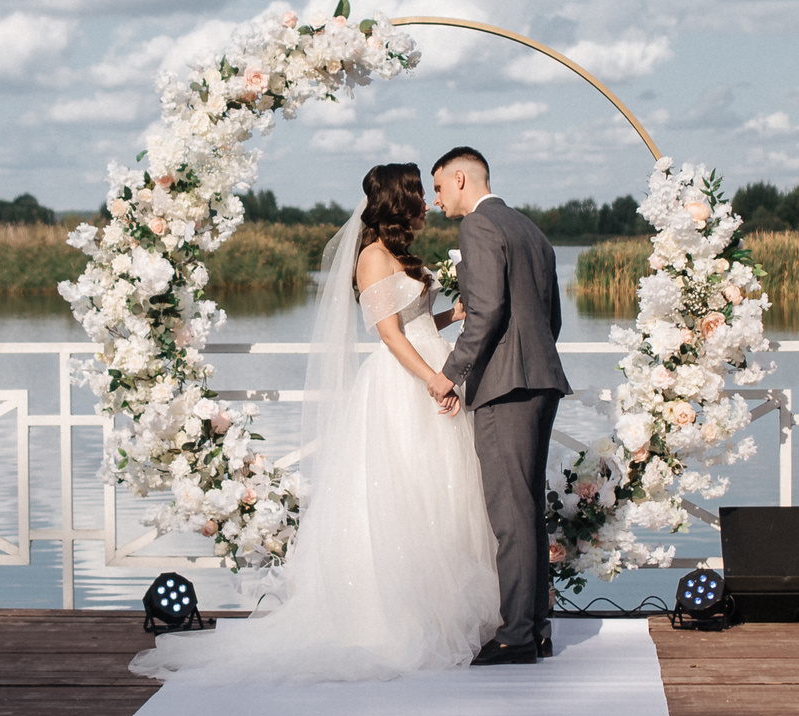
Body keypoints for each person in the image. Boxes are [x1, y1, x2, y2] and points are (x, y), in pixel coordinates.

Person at [130, 162, 499, 683]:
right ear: (400, 202)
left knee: (441, 491)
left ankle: (445, 609)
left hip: (431, 365)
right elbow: (390, 336)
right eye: (420, 195)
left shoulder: (402, 255)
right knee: (403, 493)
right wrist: (433, 381)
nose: (427, 204)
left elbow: (413, 323)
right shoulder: (372, 257)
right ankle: (397, 617)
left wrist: (450, 318)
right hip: (405, 381)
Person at [431, 145, 572, 665]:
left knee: (510, 517)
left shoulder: (479, 228)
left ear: (463, 179)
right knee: (528, 509)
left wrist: (449, 376)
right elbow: (551, 319)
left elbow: (485, 314)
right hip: (541, 381)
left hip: (505, 387)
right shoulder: (530, 230)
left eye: (440, 187)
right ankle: (536, 627)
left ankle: (515, 635)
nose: (436, 199)